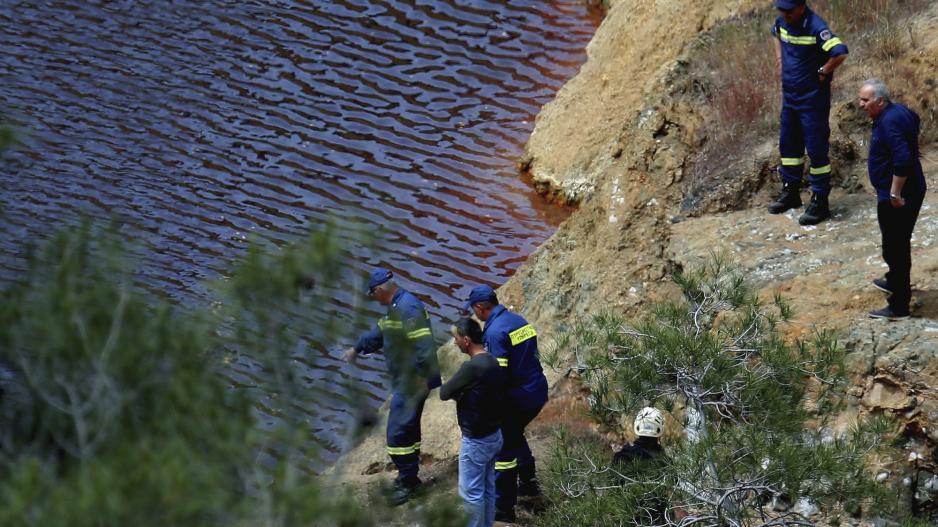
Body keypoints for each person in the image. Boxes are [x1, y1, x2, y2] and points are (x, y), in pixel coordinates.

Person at [345, 268, 442, 504]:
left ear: (379, 290)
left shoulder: (408, 308)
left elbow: (424, 345)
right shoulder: (396, 308)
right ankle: (408, 477)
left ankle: (409, 483)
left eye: (373, 294)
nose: (374, 299)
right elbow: (379, 333)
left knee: (398, 432)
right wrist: (357, 348)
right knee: (408, 429)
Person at [464, 285, 548, 523]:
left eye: (474, 310)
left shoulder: (494, 332)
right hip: (536, 390)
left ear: (481, 307)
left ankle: (504, 507)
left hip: (517, 396)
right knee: (514, 432)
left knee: (503, 450)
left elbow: (497, 375)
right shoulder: (518, 321)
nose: (474, 314)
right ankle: (529, 481)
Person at [768, 0, 848, 225]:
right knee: (789, 147)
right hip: (790, 99)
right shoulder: (783, 22)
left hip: (812, 101)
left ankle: (820, 201)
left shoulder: (816, 26)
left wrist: (823, 71)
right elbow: (775, 32)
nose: (785, 14)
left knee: (816, 150)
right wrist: (779, 59)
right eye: (782, 10)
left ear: (801, 7)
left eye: (789, 10)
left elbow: (840, 52)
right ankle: (791, 192)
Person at [857, 79, 927, 320]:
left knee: (897, 248)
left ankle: (899, 306)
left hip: (899, 196)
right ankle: (893, 281)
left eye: (865, 100)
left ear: (880, 100)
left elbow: (903, 159)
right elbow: (915, 122)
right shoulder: (900, 112)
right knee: (892, 244)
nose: (861, 105)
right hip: (907, 190)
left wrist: (895, 193)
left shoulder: (888, 122)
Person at [441, 318, 507, 527]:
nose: (454, 342)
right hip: (494, 435)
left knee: (471, 494)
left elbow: (444, 392)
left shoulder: (472, 367)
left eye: (456, 338)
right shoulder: (492, 361)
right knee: (488, 488)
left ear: (467, 340)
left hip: (476, 441)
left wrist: (459, 393)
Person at [612, 407, 668, 524]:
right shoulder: (665, 461)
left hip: (627, 520)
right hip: (658, 521)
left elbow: (613, 491)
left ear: (637, 425)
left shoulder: (622, 456)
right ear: (660, 428)